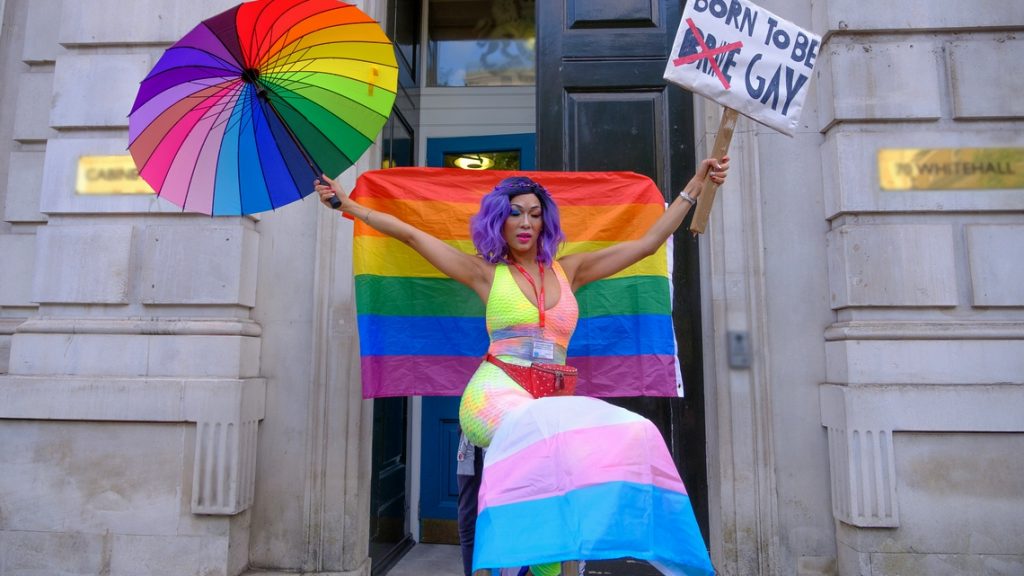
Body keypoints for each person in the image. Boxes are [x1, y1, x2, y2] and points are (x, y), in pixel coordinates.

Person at [316, 157, 728, 576]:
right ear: (500, 222)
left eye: (534, 213)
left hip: (550, 400)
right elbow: (410, 235)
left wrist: (695, 184)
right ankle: (509, 563)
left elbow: (648, 243)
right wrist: (348, 206)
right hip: (495, 393)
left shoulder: (572, 271)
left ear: (545, 221)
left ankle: (579, 562)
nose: (525, 222)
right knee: (539, 444)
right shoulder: (485, 274)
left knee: (636, 432)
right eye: (514, 214)